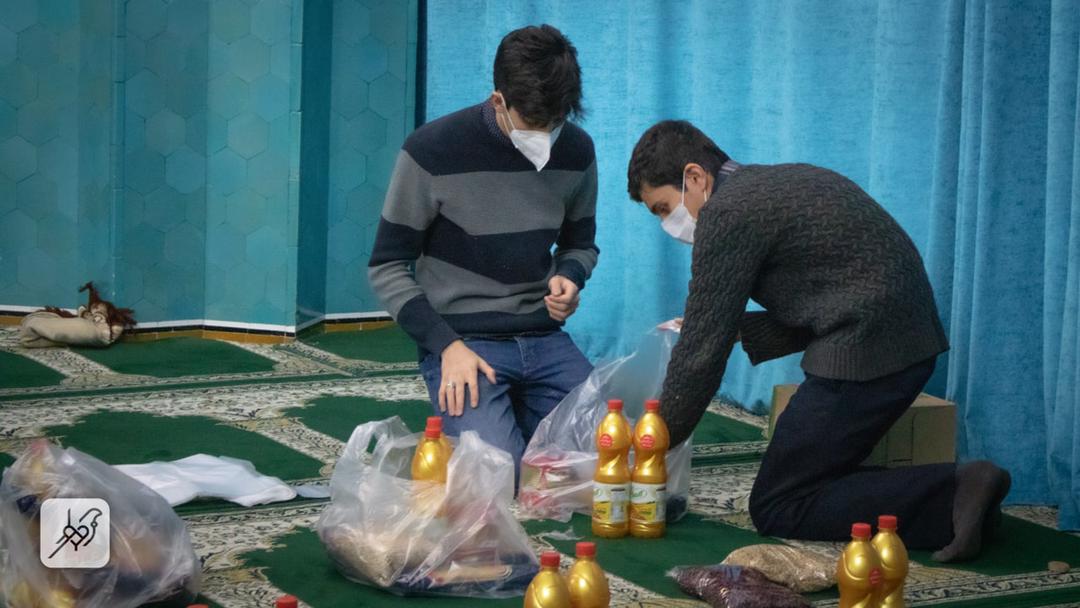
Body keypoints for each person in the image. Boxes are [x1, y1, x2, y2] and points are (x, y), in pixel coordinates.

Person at [626, 120, 1010, 562]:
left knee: (779, 503)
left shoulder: (726, 213)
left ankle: (956, 492)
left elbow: (699, 353)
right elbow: (826, 292)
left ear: (695, 177)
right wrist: (735, 328)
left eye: (663, 208)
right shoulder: (773, 183)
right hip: (900, 341)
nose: (668, 224)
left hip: (868, 352)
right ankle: (971, 508)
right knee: (810, 472)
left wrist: (652, 445)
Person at [368, 25, 598, 477]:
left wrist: (570, 277)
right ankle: (493, 426)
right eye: (532, 124)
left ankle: (511, 420)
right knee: (497, 476)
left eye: (554, 122)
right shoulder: (430, 150)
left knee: (611, 453)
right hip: (465, 343)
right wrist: (445, 346)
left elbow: (580, 244)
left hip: (545, 339)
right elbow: (387, 266)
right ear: (498, 101)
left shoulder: (577, 149)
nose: (545, 136)